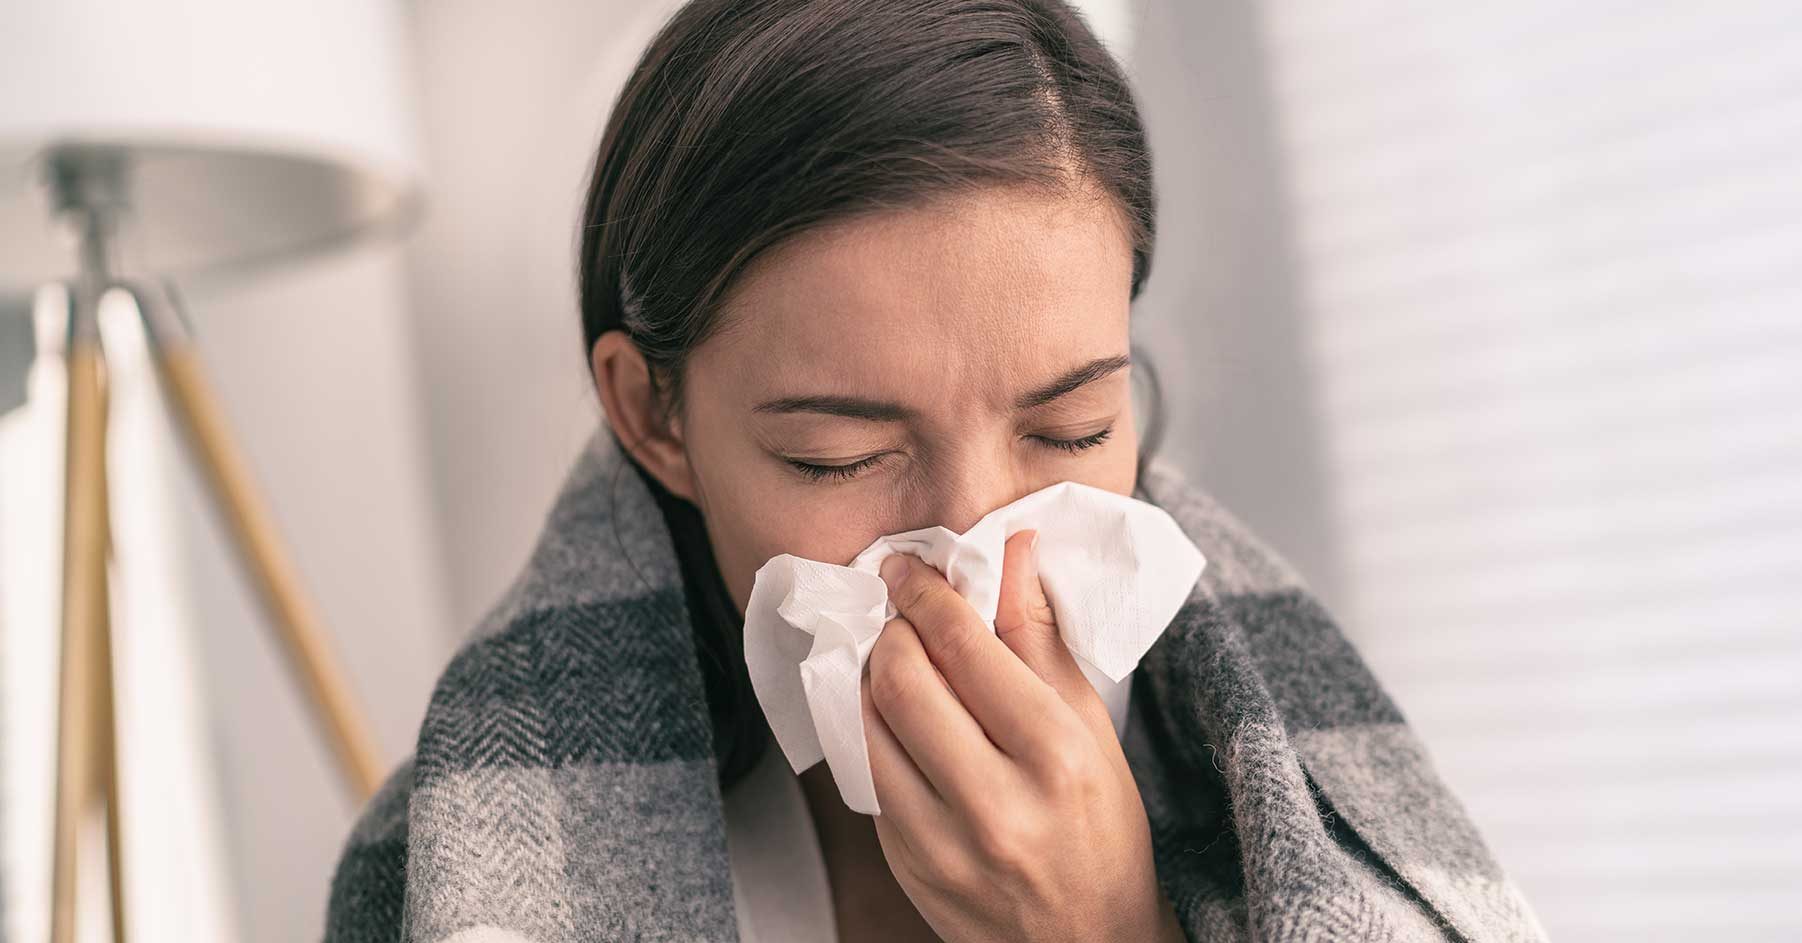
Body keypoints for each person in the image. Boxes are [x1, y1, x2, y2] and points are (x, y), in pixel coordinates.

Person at [324, 1, 1550, 941]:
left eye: (1071, 429)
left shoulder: (1317, 789)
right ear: (655, 417)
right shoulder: (444, 861)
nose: (979, 554)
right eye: (840, 455)